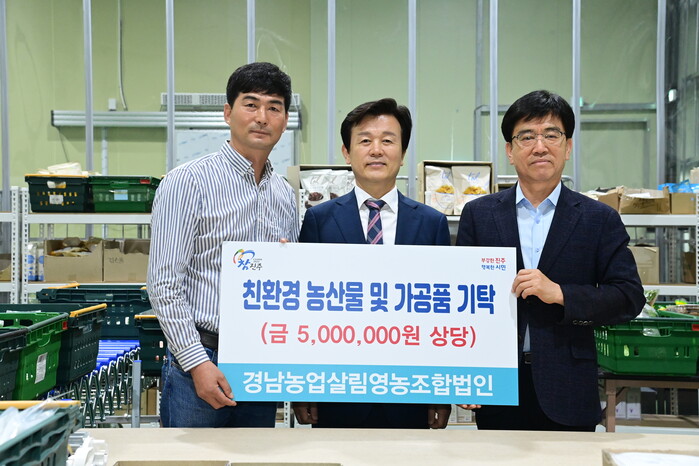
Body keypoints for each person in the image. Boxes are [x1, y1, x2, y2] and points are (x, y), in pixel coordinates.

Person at [455, 90, 644, 431]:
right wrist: (467, 370)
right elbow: (460, 300)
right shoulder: (479, 215)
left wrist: (561, 293)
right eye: (527, 136)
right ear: (510, 151)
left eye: (551, 135)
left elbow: (628, 297)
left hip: (569, 386)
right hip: (498, 387)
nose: (539, 146)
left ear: (568, 147)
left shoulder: (598, 219)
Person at [148, 62, 299, 428]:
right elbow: (164, 284)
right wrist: (196, 362)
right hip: (201, 360)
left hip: (261, 359)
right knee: (196, 456)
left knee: (256, 455)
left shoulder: (284, 194)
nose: (262, 117)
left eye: (274, 107)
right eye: (251, 104)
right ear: (228, 113)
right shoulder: (188, 182)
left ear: (284, 120)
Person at [293, 97, 452, 429]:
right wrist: (304, 387)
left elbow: (443, 313)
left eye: (388, 141)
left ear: (403, 153)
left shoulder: (431, 223)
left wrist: (440, 392)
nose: (376, 150)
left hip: (410, 391)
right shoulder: (319, 220)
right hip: (337, 390)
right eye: (365, 140)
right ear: (347, 153)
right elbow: (304, 309)